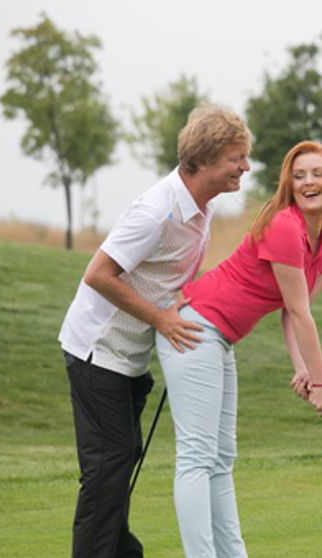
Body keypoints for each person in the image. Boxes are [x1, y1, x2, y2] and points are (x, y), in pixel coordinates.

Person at [58, 104, 251, 558]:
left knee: (121, 459)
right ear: (203, 160)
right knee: (108, 466)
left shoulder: (201, 208)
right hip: (96, 352)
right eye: (237, 158)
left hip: (129, 357)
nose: (245, 166)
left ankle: (123, 551)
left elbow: (167, 274)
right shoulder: (156, 211)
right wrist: (162, 319)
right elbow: (98, 274)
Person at [156, 140, 322, 557]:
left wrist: (303, 371)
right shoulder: (284, 226)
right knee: (198, 457)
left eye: (318, 173)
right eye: (299, 176)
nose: (308, 182)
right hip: (194, 328)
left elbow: (292, 311)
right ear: (289, 184)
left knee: (223, 458)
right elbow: (299, 313)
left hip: (219, 337)